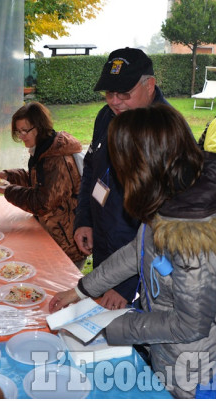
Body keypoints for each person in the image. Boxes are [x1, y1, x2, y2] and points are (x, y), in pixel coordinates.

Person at [50, 104, 216, 398]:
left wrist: (114, 327)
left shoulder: (197, 237)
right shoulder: (175, 191)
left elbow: (189, 326)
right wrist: (81, 290)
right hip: (166, 345)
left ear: (143, 162)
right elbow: (138, 250)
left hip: (191, 368)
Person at [74, 47, 171, 310]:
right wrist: (84, 218)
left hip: (139, 265)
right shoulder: (107, 116)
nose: (114, 101)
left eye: (124, 94)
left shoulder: (166, 131)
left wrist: (128, 283)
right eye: (109, 93)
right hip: (104, 242)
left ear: (149, 85)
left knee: (126, 333)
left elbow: (167, 225)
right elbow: (92, 170)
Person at [0, 102, 86, 267]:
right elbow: (38, 180)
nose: (22, 136)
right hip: (53, 235)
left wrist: (7, 190)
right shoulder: (44, 150)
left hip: (67, 245)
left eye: (25, 130)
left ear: (40, 127)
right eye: (19, 131)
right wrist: (8, 176)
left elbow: (43, 202)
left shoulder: (57, 159)